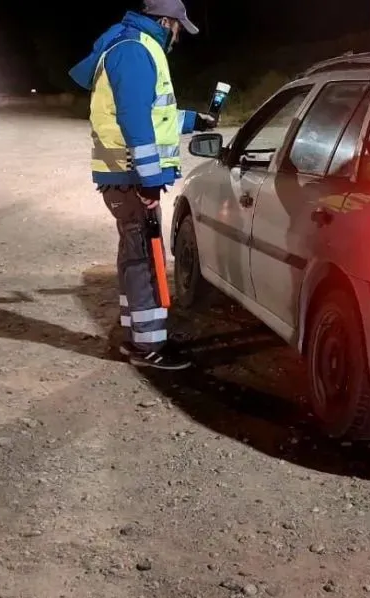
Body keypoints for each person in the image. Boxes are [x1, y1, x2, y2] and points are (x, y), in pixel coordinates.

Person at [69, 0, 217, 371]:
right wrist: (149, 182)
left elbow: (154, 115)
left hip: (124, 175)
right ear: (165, 22)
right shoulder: (135, 50)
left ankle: (138, 332)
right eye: (178, 27)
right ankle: (148, 346)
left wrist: (194, 121)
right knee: (144, 258)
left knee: (135, 253)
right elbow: (134, 120)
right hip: (131, 177)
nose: (178, 35)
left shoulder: (131, 45)